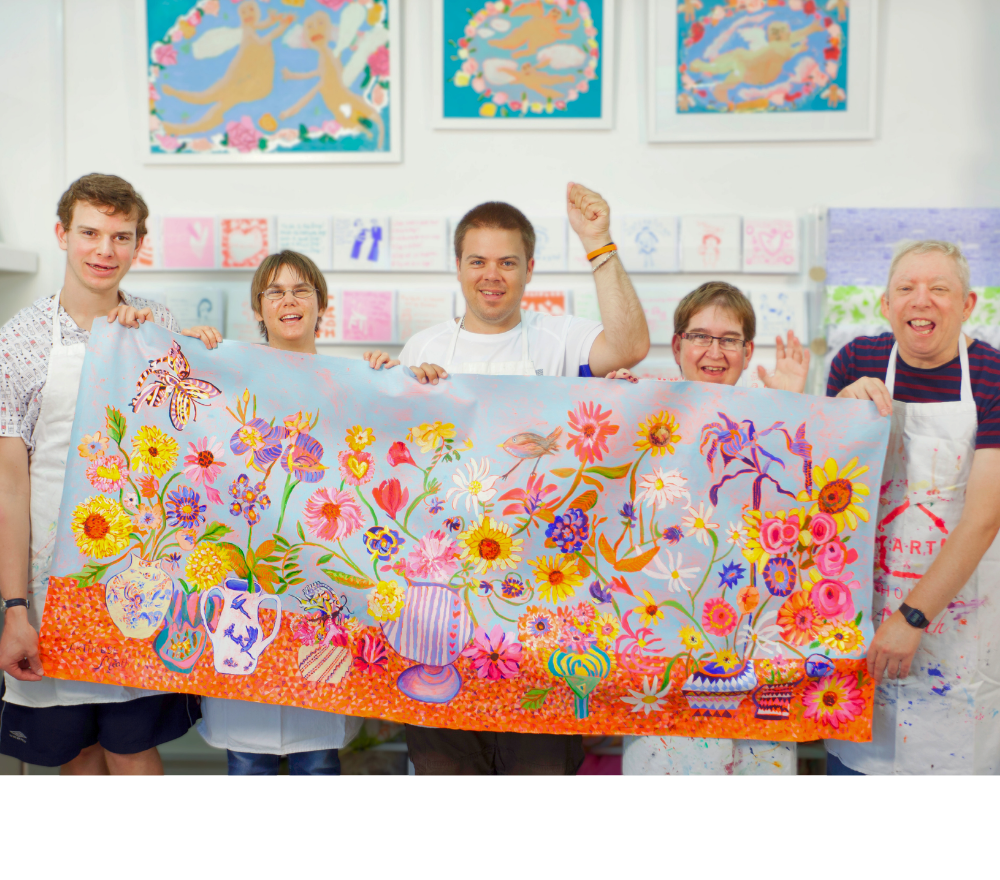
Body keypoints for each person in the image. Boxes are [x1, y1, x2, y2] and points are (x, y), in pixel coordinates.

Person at [364, 182, 650, 774]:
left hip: (539, 613)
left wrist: (598, 242)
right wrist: (388, 381)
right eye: (478, 261)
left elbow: (630, 345)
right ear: (458, 267)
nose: (491, 276)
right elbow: (397, 469)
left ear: (530, 269)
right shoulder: (425, 345)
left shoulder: (559, 339)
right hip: (442, 615)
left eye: (507, 262)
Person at [0, 173, 217, 774]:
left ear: (139, 244)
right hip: (51, 585)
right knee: (75, 751)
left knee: (133, 743)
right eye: (90, 233)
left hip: (141, 578)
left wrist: (202, 352)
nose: (104, 250)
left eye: (121, 237)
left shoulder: (159, 324)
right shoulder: (17, 343)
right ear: (62, 234)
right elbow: (10, 487)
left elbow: (194, 449)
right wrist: (15, 609)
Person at [609, 281, 811, 775]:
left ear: (748, 352)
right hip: (666, 640)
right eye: (700, 336)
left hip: (756, 639)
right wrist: (613, 402)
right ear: (678, 345)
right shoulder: (646, 411)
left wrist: (794, 408)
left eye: (729, 339)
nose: (714, 351)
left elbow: (807, 510)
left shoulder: (773, 415)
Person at [823, 239, 1000, 775]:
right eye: (906, 288)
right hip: (862, 615)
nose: (921, 300)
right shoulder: (857, 362)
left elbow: (985, 517)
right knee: (859, 771)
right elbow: (822, 494)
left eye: (939, 288)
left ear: (967, 304)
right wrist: (839, 412)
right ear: (886, 303)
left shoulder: (992, 376)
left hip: (958, 617)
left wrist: (912, 616)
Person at [197, 250, 362, 775]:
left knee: (318, 760)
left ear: (322, 304)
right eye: (275, 292)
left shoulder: (354, 382)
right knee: (249, 759)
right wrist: (185, 347)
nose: (289, 301)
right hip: (250, 586)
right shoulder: (228, 376)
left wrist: (404, 379)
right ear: (258, 309)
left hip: (320, 586)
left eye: (301, 290)